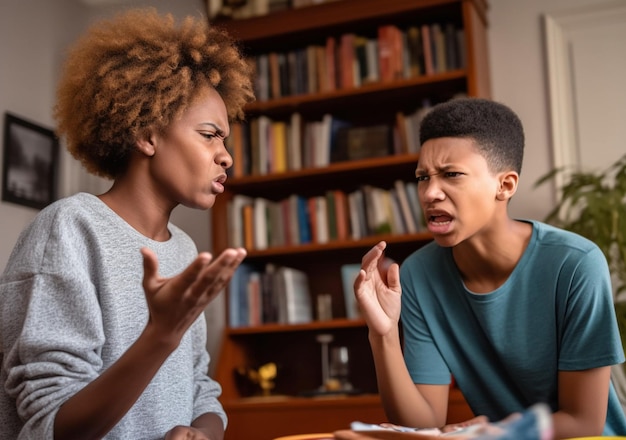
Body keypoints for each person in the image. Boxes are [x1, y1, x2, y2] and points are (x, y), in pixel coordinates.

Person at [0, 8, 254, 440]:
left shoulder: (185, 250)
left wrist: (202, 433)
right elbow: (49, 426)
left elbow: (199, 388)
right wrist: (161, 335)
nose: (225, 155)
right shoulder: (69, 230)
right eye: (210, 134)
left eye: (226, 140)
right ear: (147, 134)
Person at [354, 97, 626, 438]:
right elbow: (420, 426)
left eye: (451, 174)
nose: (429, 193)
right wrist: (384, 334)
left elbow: (583, 421)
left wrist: (483, 434)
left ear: (505, 185)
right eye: (423, 177)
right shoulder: (418, 274)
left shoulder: (575, 264)